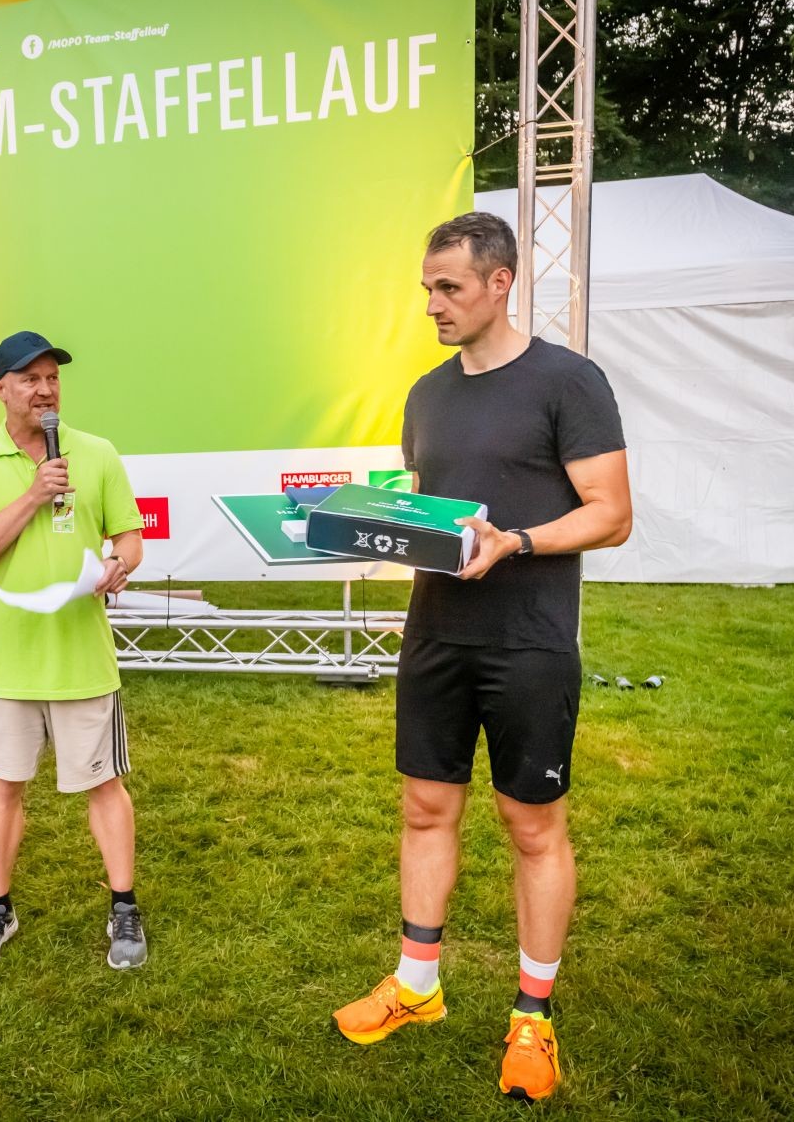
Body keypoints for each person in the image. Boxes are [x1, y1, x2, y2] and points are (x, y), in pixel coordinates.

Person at [329, 213, 632, 1103]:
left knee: (532, 824)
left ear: (501, 283)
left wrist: (518, 541)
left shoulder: (569, 381)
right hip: (435, 634)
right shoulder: (426, 394)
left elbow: (612, 513)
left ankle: (533, 1015)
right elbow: (430, 512)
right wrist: (363, 526)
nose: (432, 304)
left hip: (530, 639)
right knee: (425, 807)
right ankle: (416, 985)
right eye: (427, 288)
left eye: (449, 287)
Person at [0, 331, 147, 973]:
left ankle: (124, 907)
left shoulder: (97, 453)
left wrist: (119, 565)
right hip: (7, 662)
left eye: (52, 377)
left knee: (105, 784)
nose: (45, 389)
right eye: (29, 378)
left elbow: (130, 538)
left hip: (84, 658)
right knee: (3, 786)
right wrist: (34, 494)